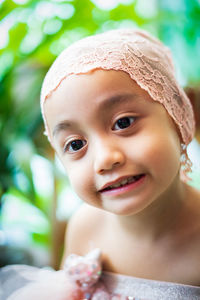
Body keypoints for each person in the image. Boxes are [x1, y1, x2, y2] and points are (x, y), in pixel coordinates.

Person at [1, 28, 200, 300]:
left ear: (179, 117)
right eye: (75, 144)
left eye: (123, 123)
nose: (105, 159)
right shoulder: (84, 226)